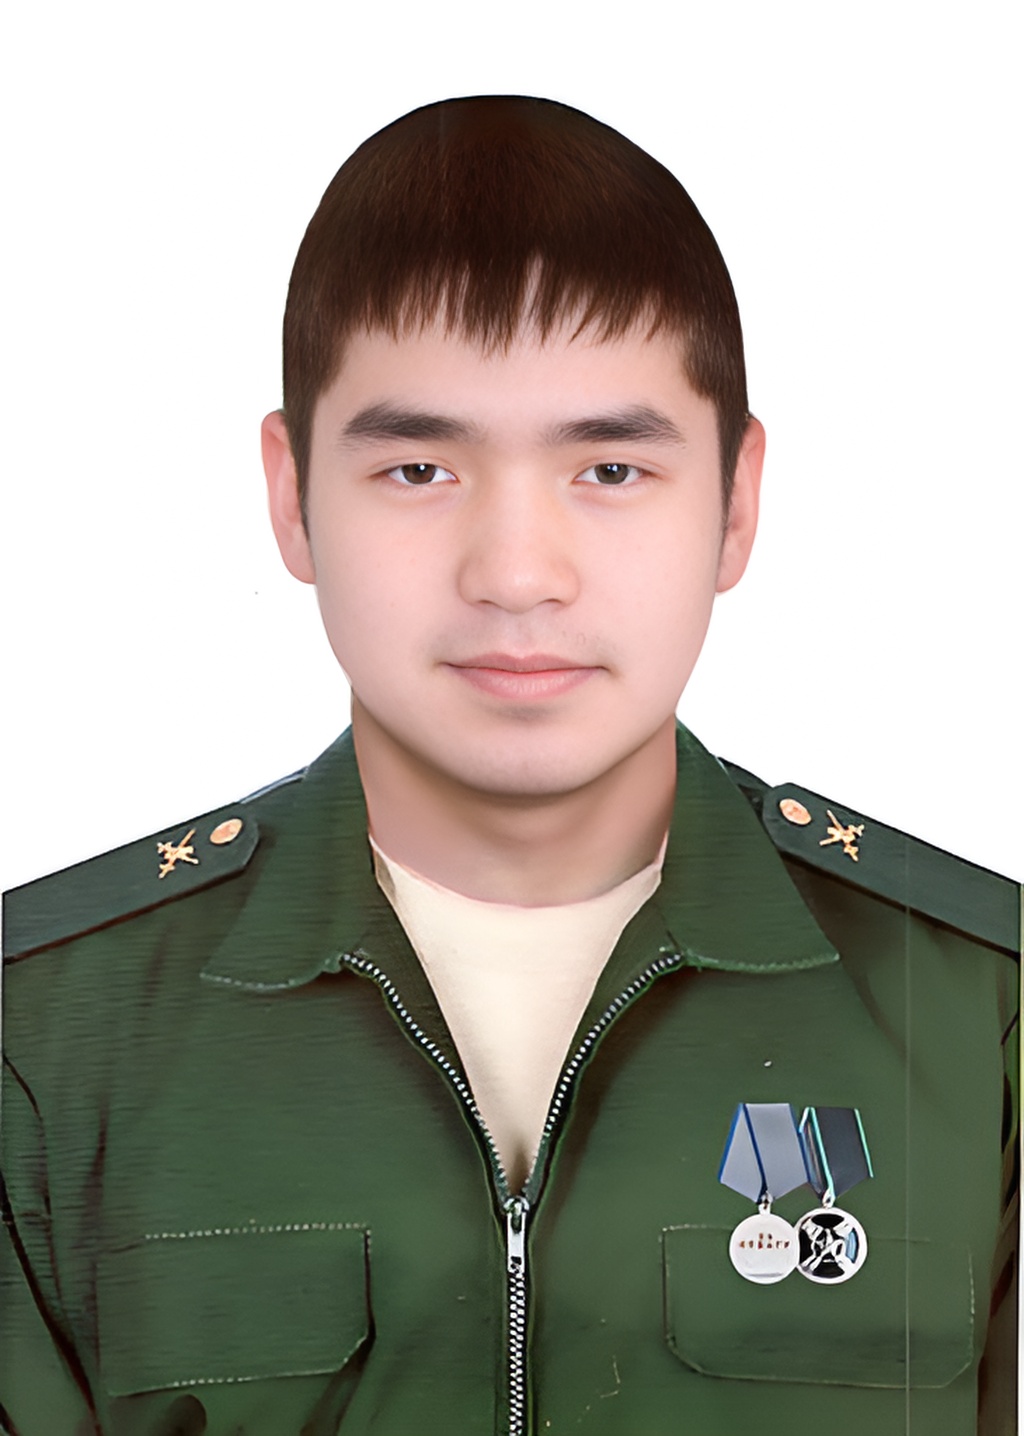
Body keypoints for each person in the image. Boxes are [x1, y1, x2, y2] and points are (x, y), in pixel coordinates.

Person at [1, 95, 1017, 1436]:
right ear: (293, 496)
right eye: (421, 468)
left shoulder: (980, 1014)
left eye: (611, 469)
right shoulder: (41, 1038)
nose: (519, 574)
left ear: (736, 501)